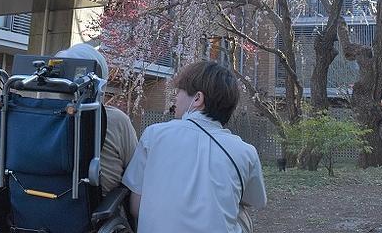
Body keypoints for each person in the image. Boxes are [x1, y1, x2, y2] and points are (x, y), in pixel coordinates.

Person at [122, 60, 267, 233]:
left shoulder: (153, 135)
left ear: (198, 98)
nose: (175, 98)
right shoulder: (245, 152)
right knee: (240, 211)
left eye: (179, 91)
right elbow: (256, 200)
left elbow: (135, 207)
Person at [53, 43, 138, 195]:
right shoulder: (116, 120)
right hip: (96, 205)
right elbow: (136, 174)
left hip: (35, 202)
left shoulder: (38, 115)